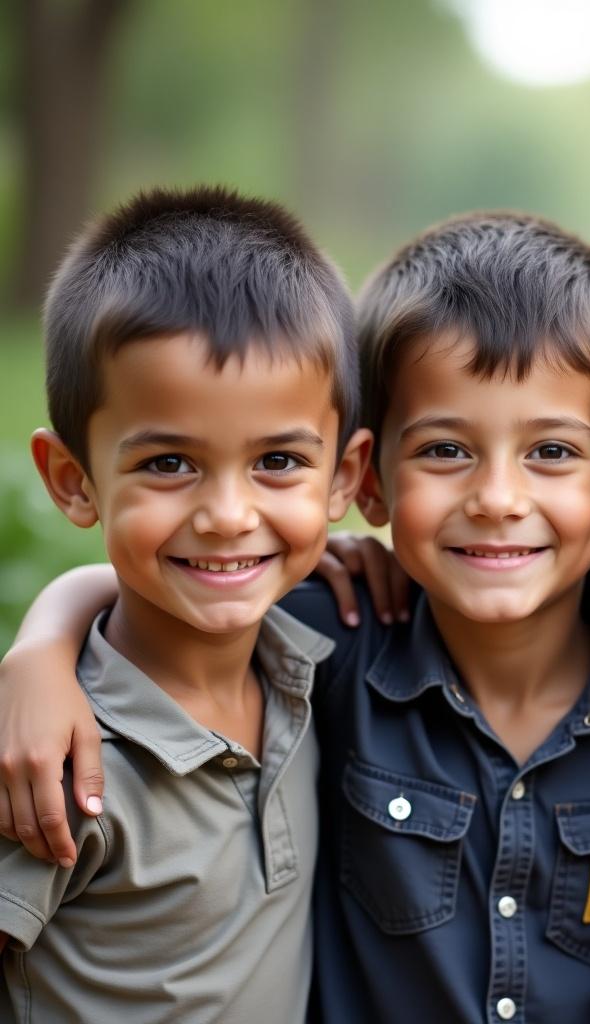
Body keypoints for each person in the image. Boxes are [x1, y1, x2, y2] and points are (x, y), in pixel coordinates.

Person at [0, 212, 590, 1022]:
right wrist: (42, 649)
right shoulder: (329, 646)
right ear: (370, 483)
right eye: (445, 450)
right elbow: (167, 592)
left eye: (551, 451)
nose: (498, 500)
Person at [0, 186, 372, 1021]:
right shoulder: (52, 766)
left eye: (279, 462)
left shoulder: (313, 668)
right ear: (73, 480)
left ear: (344, 478)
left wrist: (45, 634)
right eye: (169, 464)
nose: (230, 515)